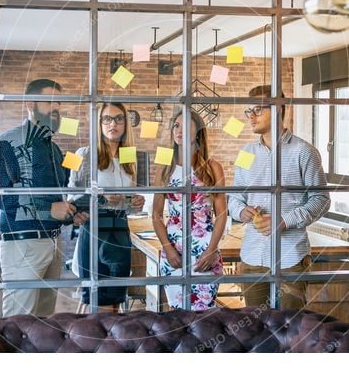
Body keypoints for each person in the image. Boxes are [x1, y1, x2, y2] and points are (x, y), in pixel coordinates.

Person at [228, 85, 330, 309]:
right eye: (249, 111)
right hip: (253, 256)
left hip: (291, 257)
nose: (251, 117)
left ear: (278, 109)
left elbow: (321, 199)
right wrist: (240, 211)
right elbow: (235, 197)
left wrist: (284, 221)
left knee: (290, 328)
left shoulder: (304, 152)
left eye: (257, 110)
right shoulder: (246, 154)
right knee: (255, 330)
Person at [0, 78, 88, 317]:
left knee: (43, 324)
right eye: (49, 101)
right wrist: (51, 211)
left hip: (53, 243)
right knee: (18, 323)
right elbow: (0, 199)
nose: (56, 107)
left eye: (59, 102)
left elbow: (55, 199)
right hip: (22, 245)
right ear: (30, 103)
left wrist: (72, 214)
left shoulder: (53, 148)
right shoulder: (8, 141)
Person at [68, 102, 145, 311]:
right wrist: (101, 199)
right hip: (94, 230)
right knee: (98, 303)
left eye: (119, 118)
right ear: (99, 123)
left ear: (126, 124)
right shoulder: (81, 153)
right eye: (107, 119)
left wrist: (136, 203)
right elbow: (70, 197)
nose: (113, 124)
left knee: (116, 301)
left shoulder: (130, 155)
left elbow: (130, 202)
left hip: (120, 229)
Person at [152, 110, 226, 311]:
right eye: (176, 126)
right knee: (178, 314)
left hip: (205, 252)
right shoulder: (165, 169)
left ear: (198, 133)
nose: (179, 131)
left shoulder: (212, 167)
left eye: (185, 126)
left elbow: (222, 214)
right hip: (174, 251)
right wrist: (167, 248)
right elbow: (156, 215)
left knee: (203, 316)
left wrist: (212, 251)